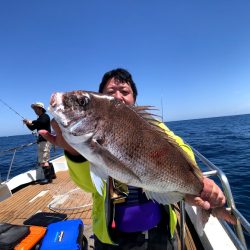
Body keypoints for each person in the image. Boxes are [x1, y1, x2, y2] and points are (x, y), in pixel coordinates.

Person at [39, 68, 226, 249]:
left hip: (159, 233)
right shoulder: (84, 143)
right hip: (113, 239)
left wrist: (197, 184)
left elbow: (183, 153)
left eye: (124, 91)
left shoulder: (155, 128)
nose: (118, 96)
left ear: (134, 98)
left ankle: (211, 209)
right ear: (103, 100)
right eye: (111, 92)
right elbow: (89, 185)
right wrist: (73, 152)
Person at [23, 102, 55, 184]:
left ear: (40, 108)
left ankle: (48, 179)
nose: (34, 111)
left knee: (43, 161)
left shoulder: (45, 117)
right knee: (46, 159)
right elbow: (32, 128)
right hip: (42, 141)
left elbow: (41, 122)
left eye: (35, 109)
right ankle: (52, 175)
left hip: (45, 141)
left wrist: (31, 121)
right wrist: (27, 123)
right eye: (34, 109)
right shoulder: (39, 119)